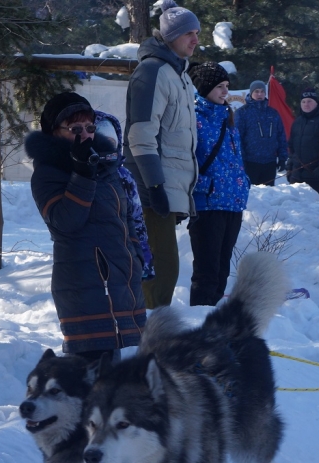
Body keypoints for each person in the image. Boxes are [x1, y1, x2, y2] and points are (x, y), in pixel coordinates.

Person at [25, 92, 152, 360]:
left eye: (90, 128)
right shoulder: (48, 173)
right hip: (84, 285)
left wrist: (135, 256)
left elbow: (125, 216)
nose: (85, 135)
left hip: (120, 281)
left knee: (113, 371)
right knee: (91, 370)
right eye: (75, 129)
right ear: (54, 132)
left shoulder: (105, 164)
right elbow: (65, 223)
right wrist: (82, 174)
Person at [124, 0, 199, 308]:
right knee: (159, 274)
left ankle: (149, 328)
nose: (195, 40)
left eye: (197, 33)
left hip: (167, 188)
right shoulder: (153, 71)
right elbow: (141, 134)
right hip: (150, 190)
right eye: (188, 34)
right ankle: (146, 332)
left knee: (164, 272)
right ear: (170, 37)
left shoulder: (179, 74)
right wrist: (155, 187)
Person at [186, 62, 251, 306]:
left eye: (226, 86)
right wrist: (205, 185)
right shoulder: (192, 118)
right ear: (204, 88)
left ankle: (213, 321)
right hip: (207, 204)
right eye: (219, 87)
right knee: (207, 273)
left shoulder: (227, 118)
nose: (225, 92)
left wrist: (243, 183)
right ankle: (200, 322)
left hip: (232, 203)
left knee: (222, 272)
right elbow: (183, 161)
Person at [287, 89, 319, 203]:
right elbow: (291, 147)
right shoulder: (297, 122)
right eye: (303, 101)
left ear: (316, 103)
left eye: (309, 101)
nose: (306, 104)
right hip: (298, 176)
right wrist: (290, 167)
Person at [236, 80, 288, 186]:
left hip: (270, 162)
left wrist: (282, 157)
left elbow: (281, 136)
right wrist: (241, 160)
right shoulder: (242, 112)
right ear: (251, 93)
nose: (259, 94)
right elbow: (237, 138)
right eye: (256, 91)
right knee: (253, 193)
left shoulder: (273, 113)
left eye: (262, 91)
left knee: (268, 193)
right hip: (250, 162)